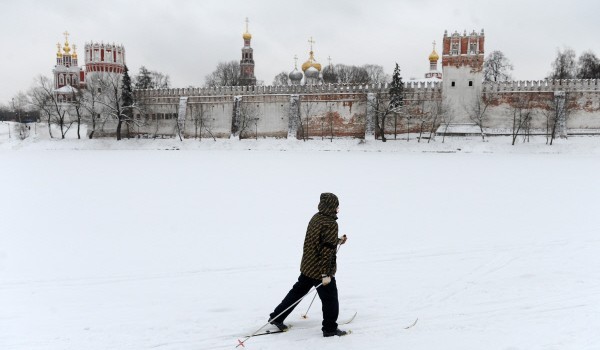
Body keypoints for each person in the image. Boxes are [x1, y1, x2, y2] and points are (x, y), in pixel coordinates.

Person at [268, 192, 349, 337]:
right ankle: (330, 329)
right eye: (337, 206)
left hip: (308, 266)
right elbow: (326, 251)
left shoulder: (316, 218)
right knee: (330, 299)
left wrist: (337, 241)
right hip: (320, 271)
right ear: (331, 206)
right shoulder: (330, 224)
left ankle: (277, 317)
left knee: (296, 293)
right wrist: (325, 274)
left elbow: (320, 242)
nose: (338, 209)